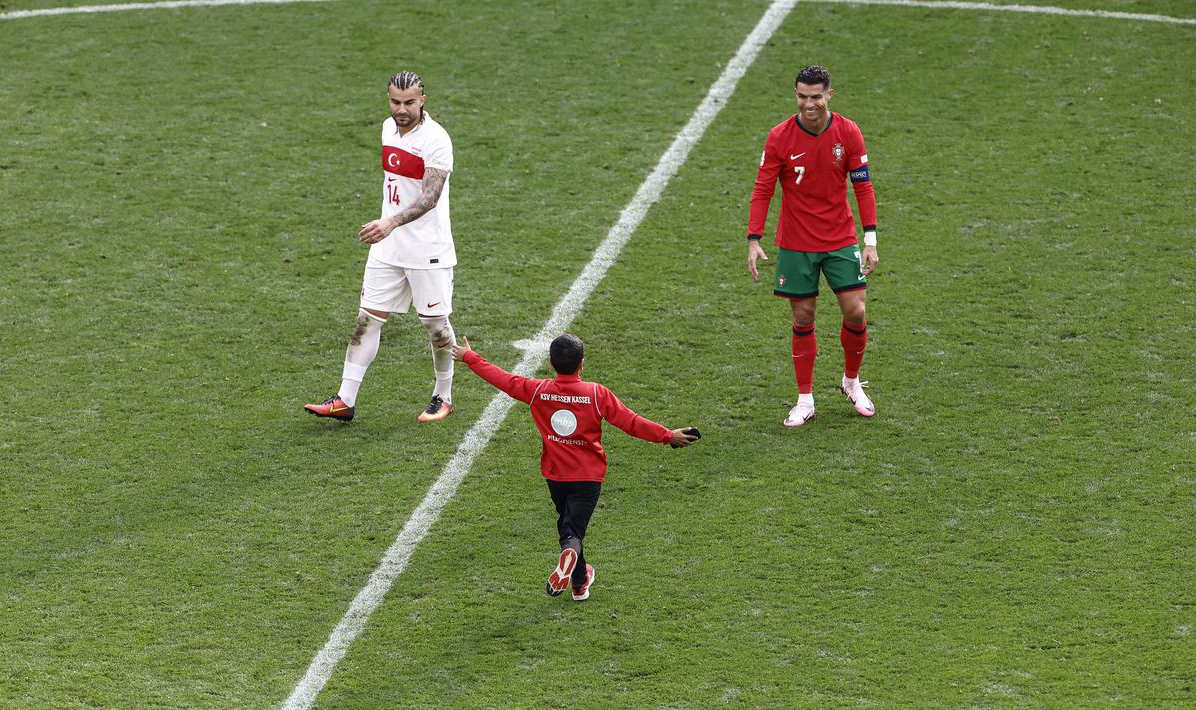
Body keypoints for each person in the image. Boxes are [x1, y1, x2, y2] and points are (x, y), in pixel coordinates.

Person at [451, 334, 699, 601]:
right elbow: (631, 422)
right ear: (581, 364)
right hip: (588, 478)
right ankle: (572, 564)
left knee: (568, 526)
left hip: (556, 476)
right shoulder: (596, 394)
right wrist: (667, 436)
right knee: (572, 531)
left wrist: (469, 357)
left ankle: (580, 584)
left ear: (550, 362)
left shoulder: (537, 390)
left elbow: (501, 378)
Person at [306, 71, 458, 423]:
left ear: (423, 100)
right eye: (394, 101)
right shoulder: (388, 129)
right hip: (388, 247)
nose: (401, 109)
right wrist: (387, 226)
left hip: (427, 249)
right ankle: (345, 399)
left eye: (408, 102)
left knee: (436, 326)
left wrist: (389, 222)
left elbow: (431, 197)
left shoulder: (437, 140)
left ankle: (443, 395)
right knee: (367, 320)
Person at [746, 65, 880, 427]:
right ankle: (805, 399)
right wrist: (753, 238)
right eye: (802, 96)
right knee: (803, 317)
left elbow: (863, 187)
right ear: (796, 95)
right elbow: (763, 188)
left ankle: (851, 381)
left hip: (839, 238)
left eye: (816, 97)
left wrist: (870, 240)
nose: (809, 104)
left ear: (829, 96)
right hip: (796, 242)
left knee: (856, 312)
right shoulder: (779, 137)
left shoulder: (848, 132)